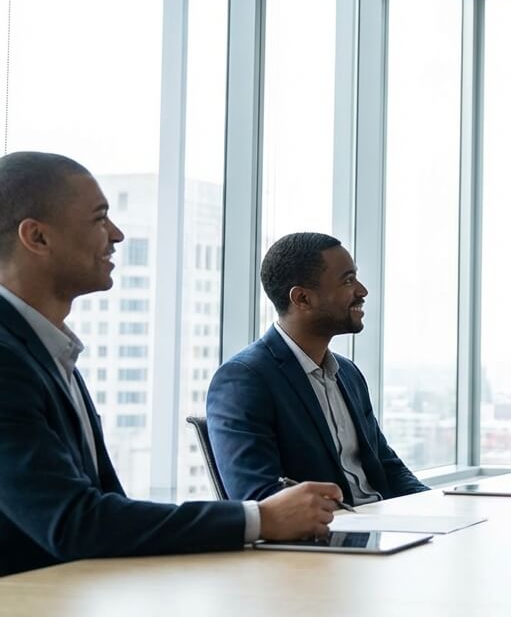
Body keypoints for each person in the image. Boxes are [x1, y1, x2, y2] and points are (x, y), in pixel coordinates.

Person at [0, 152, 339, 577]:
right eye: (99, 218)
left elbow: (105, 511)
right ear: (37, 237)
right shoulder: (7, 359)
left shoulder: (47, 350)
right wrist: (260, 519)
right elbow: (73, 522)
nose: (117, 234)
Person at [207, 233, 428, 505]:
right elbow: (258, 498)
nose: (362, 290)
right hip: (326, 538)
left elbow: (388, 467)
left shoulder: (348, 374)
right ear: (302, 298)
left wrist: (443, 509)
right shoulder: (243, 379)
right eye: (348, 280)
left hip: (379, 529)